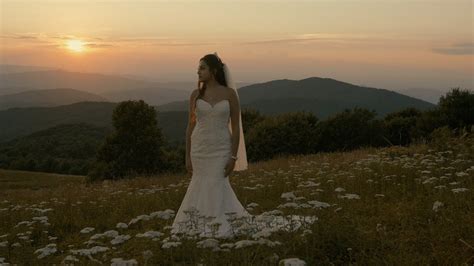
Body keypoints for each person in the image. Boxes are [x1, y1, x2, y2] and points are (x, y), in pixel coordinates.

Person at [170, 52, 251, 239]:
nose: (198, 71)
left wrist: (233, 157)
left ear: (213, 70)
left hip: (222, 148)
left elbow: (237, 128)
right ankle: (197, 224)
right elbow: (190, 126)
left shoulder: (230, 94)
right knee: (199, 185)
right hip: (200, 149)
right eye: (198, 68)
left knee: (217, 183)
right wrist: (187, 155)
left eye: (202, 68)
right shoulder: (195, 95)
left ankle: (218, 226)